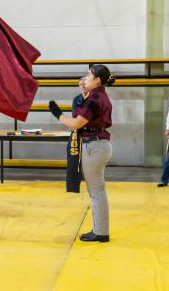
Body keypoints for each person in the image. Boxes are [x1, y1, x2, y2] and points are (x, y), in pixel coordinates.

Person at [49, 65, 115, 242]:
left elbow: (77, 123)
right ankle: (99, 229)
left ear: (97, 80)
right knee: (96, 190)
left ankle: (101, 232)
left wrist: (58, 115)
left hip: (94, 146)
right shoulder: (96, 96)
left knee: (97, 191)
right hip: (96, 145)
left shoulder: (95, 98)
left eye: (88, 75)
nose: (85, 78)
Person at [66, 77, 87, 193]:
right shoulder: (76, 99)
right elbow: (75, 115)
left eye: (84, 84)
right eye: (80, 85)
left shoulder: (94, 98)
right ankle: (73, 187)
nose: (83, 86)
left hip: (91, 131)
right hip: (78, 129)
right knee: (73, 157)